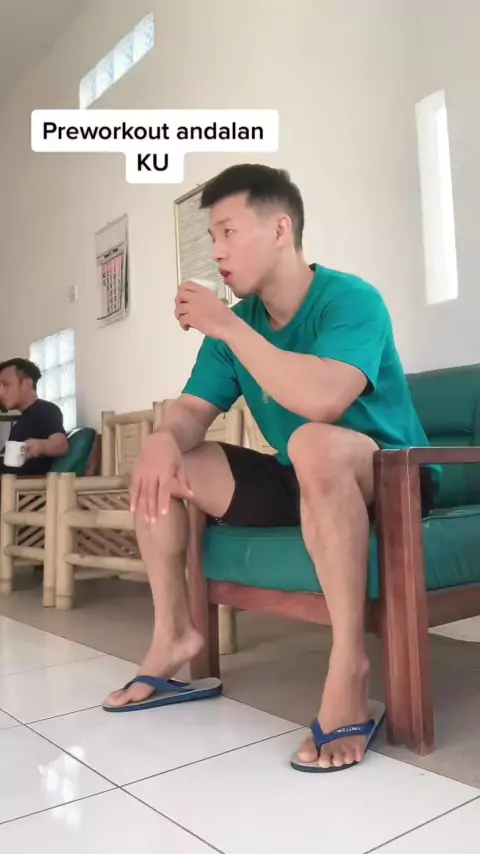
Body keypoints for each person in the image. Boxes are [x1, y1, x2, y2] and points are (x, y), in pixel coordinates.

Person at [104, 163, 436, 772]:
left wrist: (228, 326)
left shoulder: (350, 300)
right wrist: (163, 440)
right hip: (302, 474)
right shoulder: (239, 326)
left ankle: (349, 664)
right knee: (167, 464)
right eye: (212, 237)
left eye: (228, 232)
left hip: (390, 476)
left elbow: (324, 400)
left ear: (280, 229)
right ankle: (173, 634)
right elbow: (191, 411)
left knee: (313, 440)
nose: (216, 251)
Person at [0, 358, 69, 476]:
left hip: (26, 486)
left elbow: (62, 445)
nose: (0, 392)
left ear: (27, 384)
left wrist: (41, 446)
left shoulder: (45, 410)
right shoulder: (22, 422)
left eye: (6, 385)